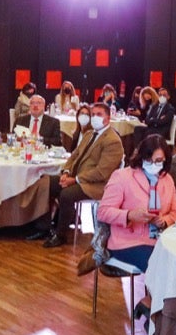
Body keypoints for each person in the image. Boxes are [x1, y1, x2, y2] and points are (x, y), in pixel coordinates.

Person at [97, 133, 176, 323]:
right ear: (141, 157)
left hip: (159, 238)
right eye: (149, 159)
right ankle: (159, 320)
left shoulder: (167, 180)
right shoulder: (122, 176)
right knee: (161, 263)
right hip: (127, 241)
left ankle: (151, 303)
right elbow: (103, 212)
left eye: (159, 160)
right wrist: (129, 215)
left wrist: (165, 220)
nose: (154, 164)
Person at [37, 100, 123, 247]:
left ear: (108, 118)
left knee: (67, 194)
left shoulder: (113, 141)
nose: (94, 117)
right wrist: (66, 172)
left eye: (99, 114)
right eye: (93, 114)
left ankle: (61, 235)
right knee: (45, 183)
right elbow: (74, 155)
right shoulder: (89, 134)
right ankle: (44, 227)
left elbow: (101, 172)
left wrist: (75, 179)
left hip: (96, 185)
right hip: (77, 177)